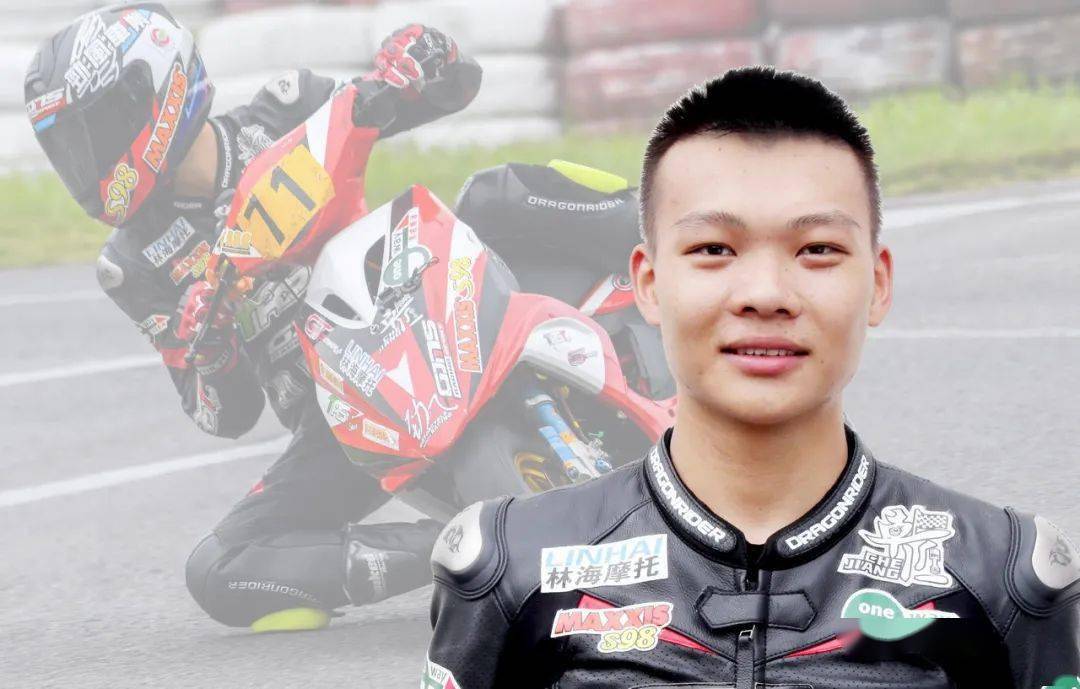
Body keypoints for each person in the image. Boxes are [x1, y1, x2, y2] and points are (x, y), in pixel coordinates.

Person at [423, 66, 1080, 687]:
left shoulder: (1003, 577)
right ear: (647, 283)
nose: (766, 294)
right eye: (714, 249)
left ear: (878, 283)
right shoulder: (509, 568)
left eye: (817, 249)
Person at [24, 2, 481, 631]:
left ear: (149, 95)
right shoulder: (131, 263)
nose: (86, 160)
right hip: (343, 421)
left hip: (429, 321)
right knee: (218, 568)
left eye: (93, 133)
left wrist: (423, 57)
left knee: (495, 194)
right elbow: (226, 415)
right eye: (69, 148)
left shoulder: (285, 112)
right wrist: (209, 349)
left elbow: (455, 87)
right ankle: (461, 548)